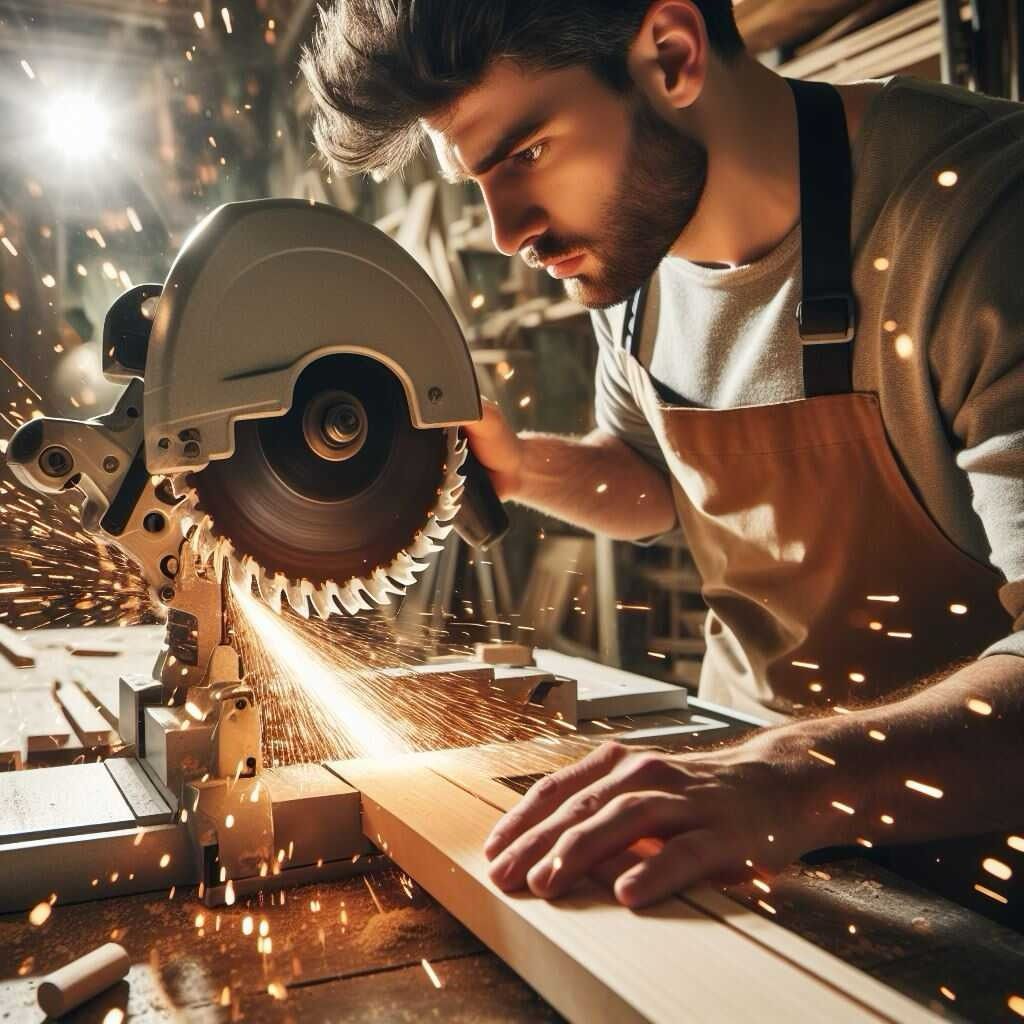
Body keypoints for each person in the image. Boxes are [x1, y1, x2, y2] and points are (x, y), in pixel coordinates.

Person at [301, 1, 1024, 912]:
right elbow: (656, 483)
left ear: (672, 56)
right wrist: (523, 467)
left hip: (968, 850)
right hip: (742, 798)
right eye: (476, 183)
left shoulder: (982, 216)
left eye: (526, 154)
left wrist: (788, 774)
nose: (507, 231)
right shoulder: (634, 260)